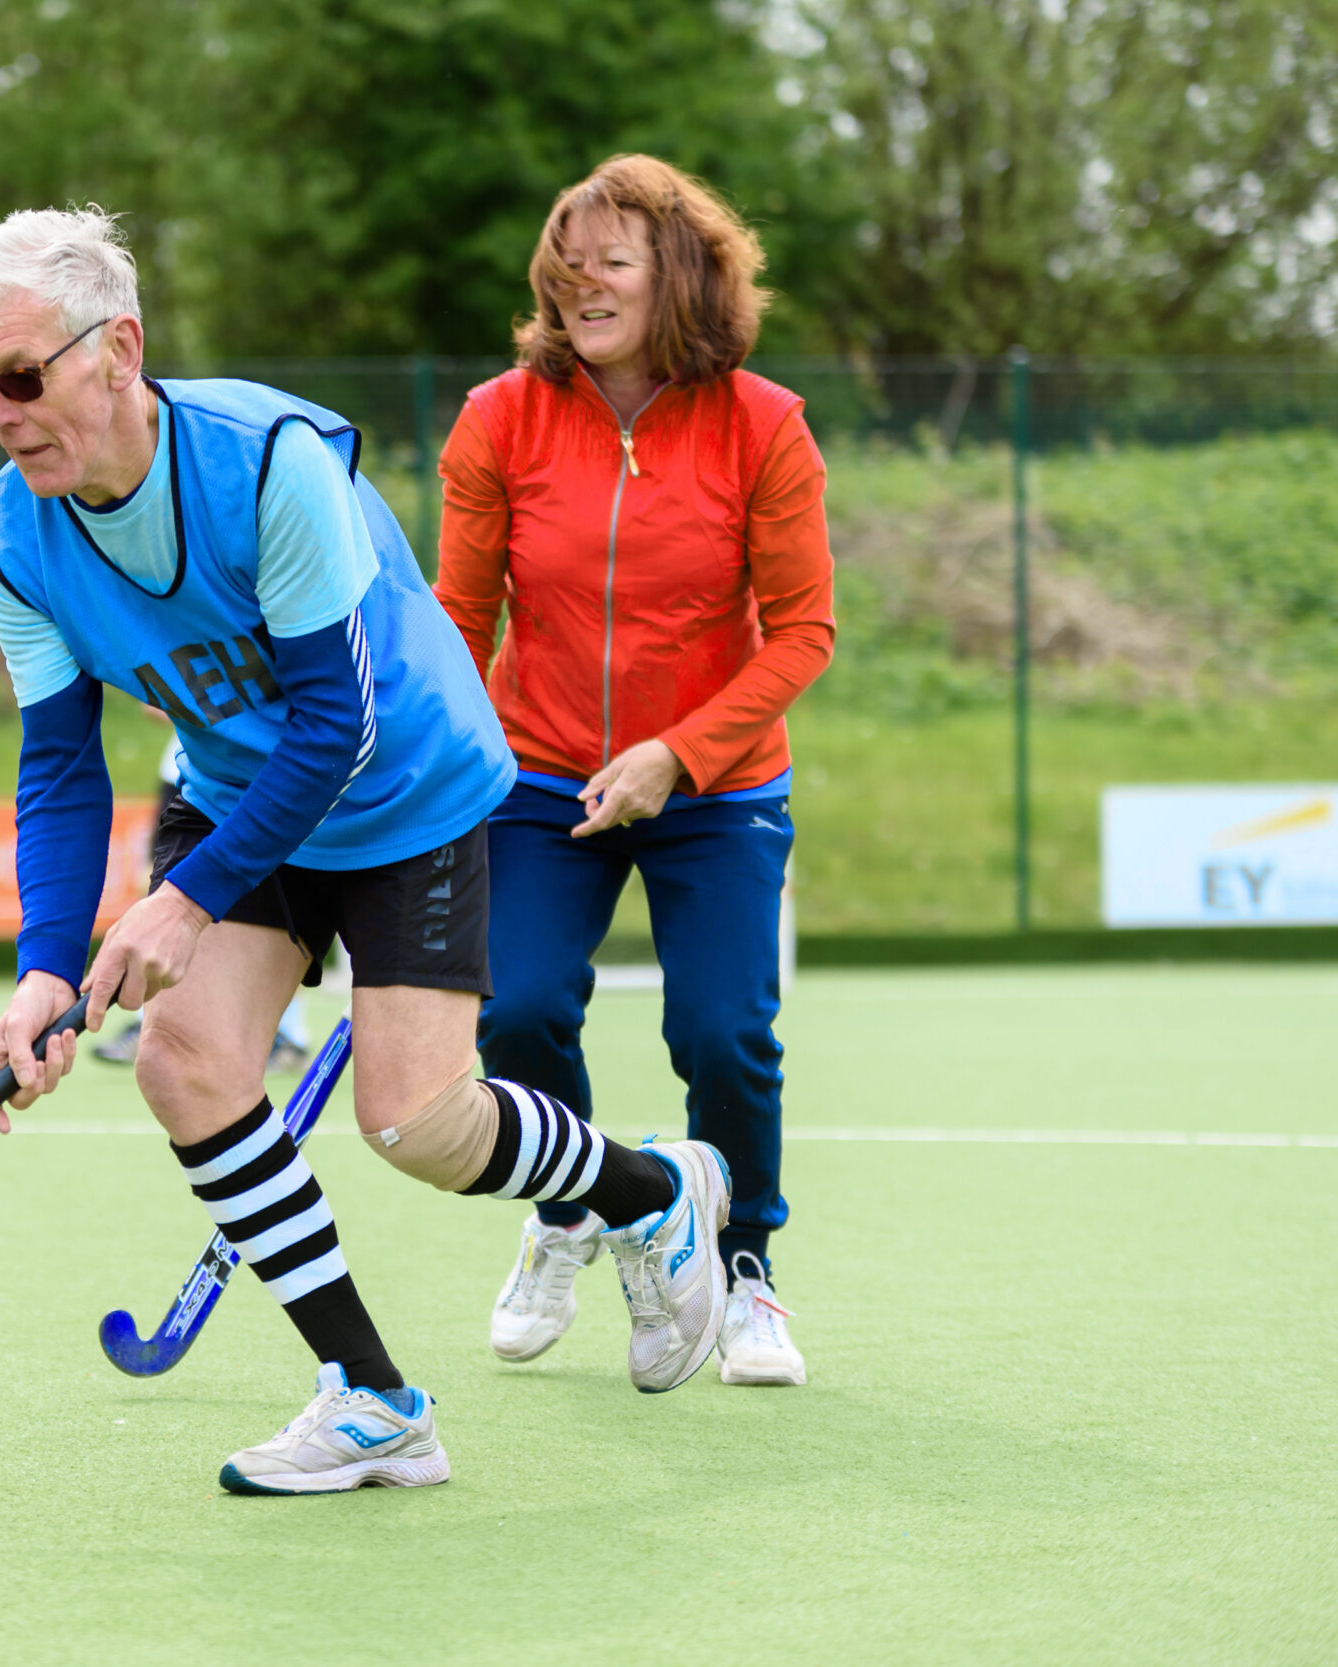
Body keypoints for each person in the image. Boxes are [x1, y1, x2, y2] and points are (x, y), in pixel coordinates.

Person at [0, 205, 735, 1495]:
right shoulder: (10, 536)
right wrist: (45, 965)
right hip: (241, 785)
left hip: (401, 781)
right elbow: (58, 765)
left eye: (21, 376)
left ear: (117, 349)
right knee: (189, 1065)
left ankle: (650, 1188)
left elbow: (337, 722)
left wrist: (181, 900)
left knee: (417, 1122)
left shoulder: (268, 464)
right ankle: (374, 1399)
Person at [434, 155, 833, 1387]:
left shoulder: (763, 422)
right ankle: (575, 1206)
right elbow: (457, 614)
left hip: (715, 786)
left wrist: (679, 752)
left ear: (682, 277)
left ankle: (747, 1263)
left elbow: (804, 631)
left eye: (613, 257)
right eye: (566, 259)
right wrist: (450, 754)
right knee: (515, 1009)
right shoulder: (498, 415)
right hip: (537, 779)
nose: (580, 279)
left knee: (723, 1030)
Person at [93, 727, 315, 1072]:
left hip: (252, 769)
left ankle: (289, 1033)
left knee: (273, 897)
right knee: (156, 892)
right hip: (187, 769)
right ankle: (146, 1019)